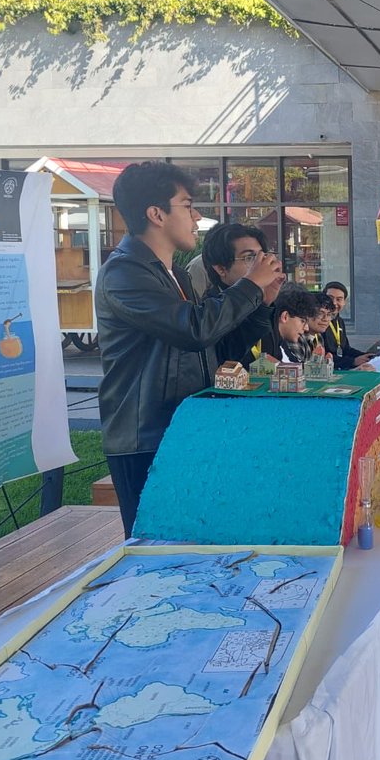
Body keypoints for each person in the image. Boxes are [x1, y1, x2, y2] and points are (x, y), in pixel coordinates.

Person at [96, 161, 284, 537]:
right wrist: (248, 287)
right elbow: (193, 329)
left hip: (183, 426)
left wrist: (259, 304)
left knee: (193, 542)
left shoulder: (173, 274)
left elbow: (214, 347)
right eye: (187, 205)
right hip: (145, 437)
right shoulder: (124, 273)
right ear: (156, 214)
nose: (197, 216)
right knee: (157, 549)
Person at [199, 222, 276, 366]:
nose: (260, 265)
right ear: (221, 269)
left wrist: (265, 305)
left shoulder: (263, 303)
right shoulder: (210, 314)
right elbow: (227, 362)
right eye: (249, 258)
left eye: (262, 257)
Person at [322, 281, 375, 370]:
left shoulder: (340, 321)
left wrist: (364, 355)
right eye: (330, 298)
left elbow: (345, 349)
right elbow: (322, 356)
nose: (334, 303)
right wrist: (352, 361)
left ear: (344, 302)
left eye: (339, 299)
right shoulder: (319, 323)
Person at [263, 283, 319, 362]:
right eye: (302, 321)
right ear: (285, 316)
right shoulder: (265, 338)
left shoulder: (278, 339)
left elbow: (293, 364)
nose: (306, 328)